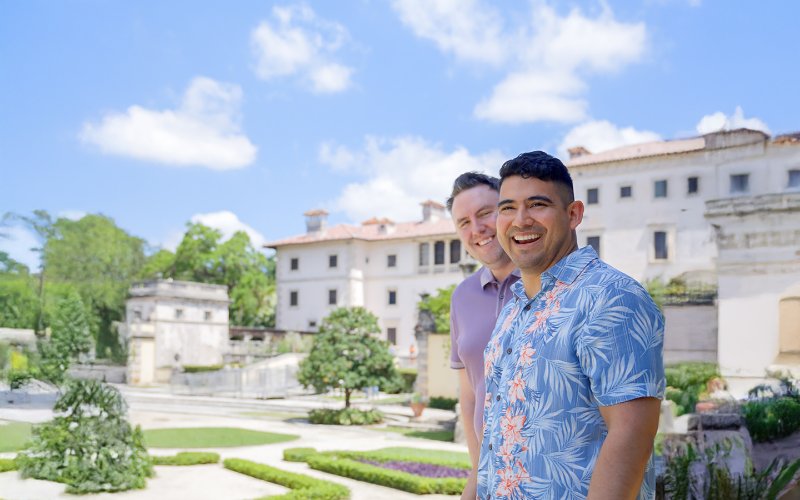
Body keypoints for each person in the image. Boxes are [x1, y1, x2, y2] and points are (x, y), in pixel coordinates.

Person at [477, 151, 665, 499]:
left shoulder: (611, 297)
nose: (521, 220)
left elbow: (631, 438)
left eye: (537, 204)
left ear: (573, 214)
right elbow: (495, 437)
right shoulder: (513, 308)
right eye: (507, 208)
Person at [447, 172, 520, 499]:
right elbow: (470, 395)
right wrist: (477, 476)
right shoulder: (461, 297)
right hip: (493, 482)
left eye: (484, 213)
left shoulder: (553, 284)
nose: (476, 229)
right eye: (463, 222)